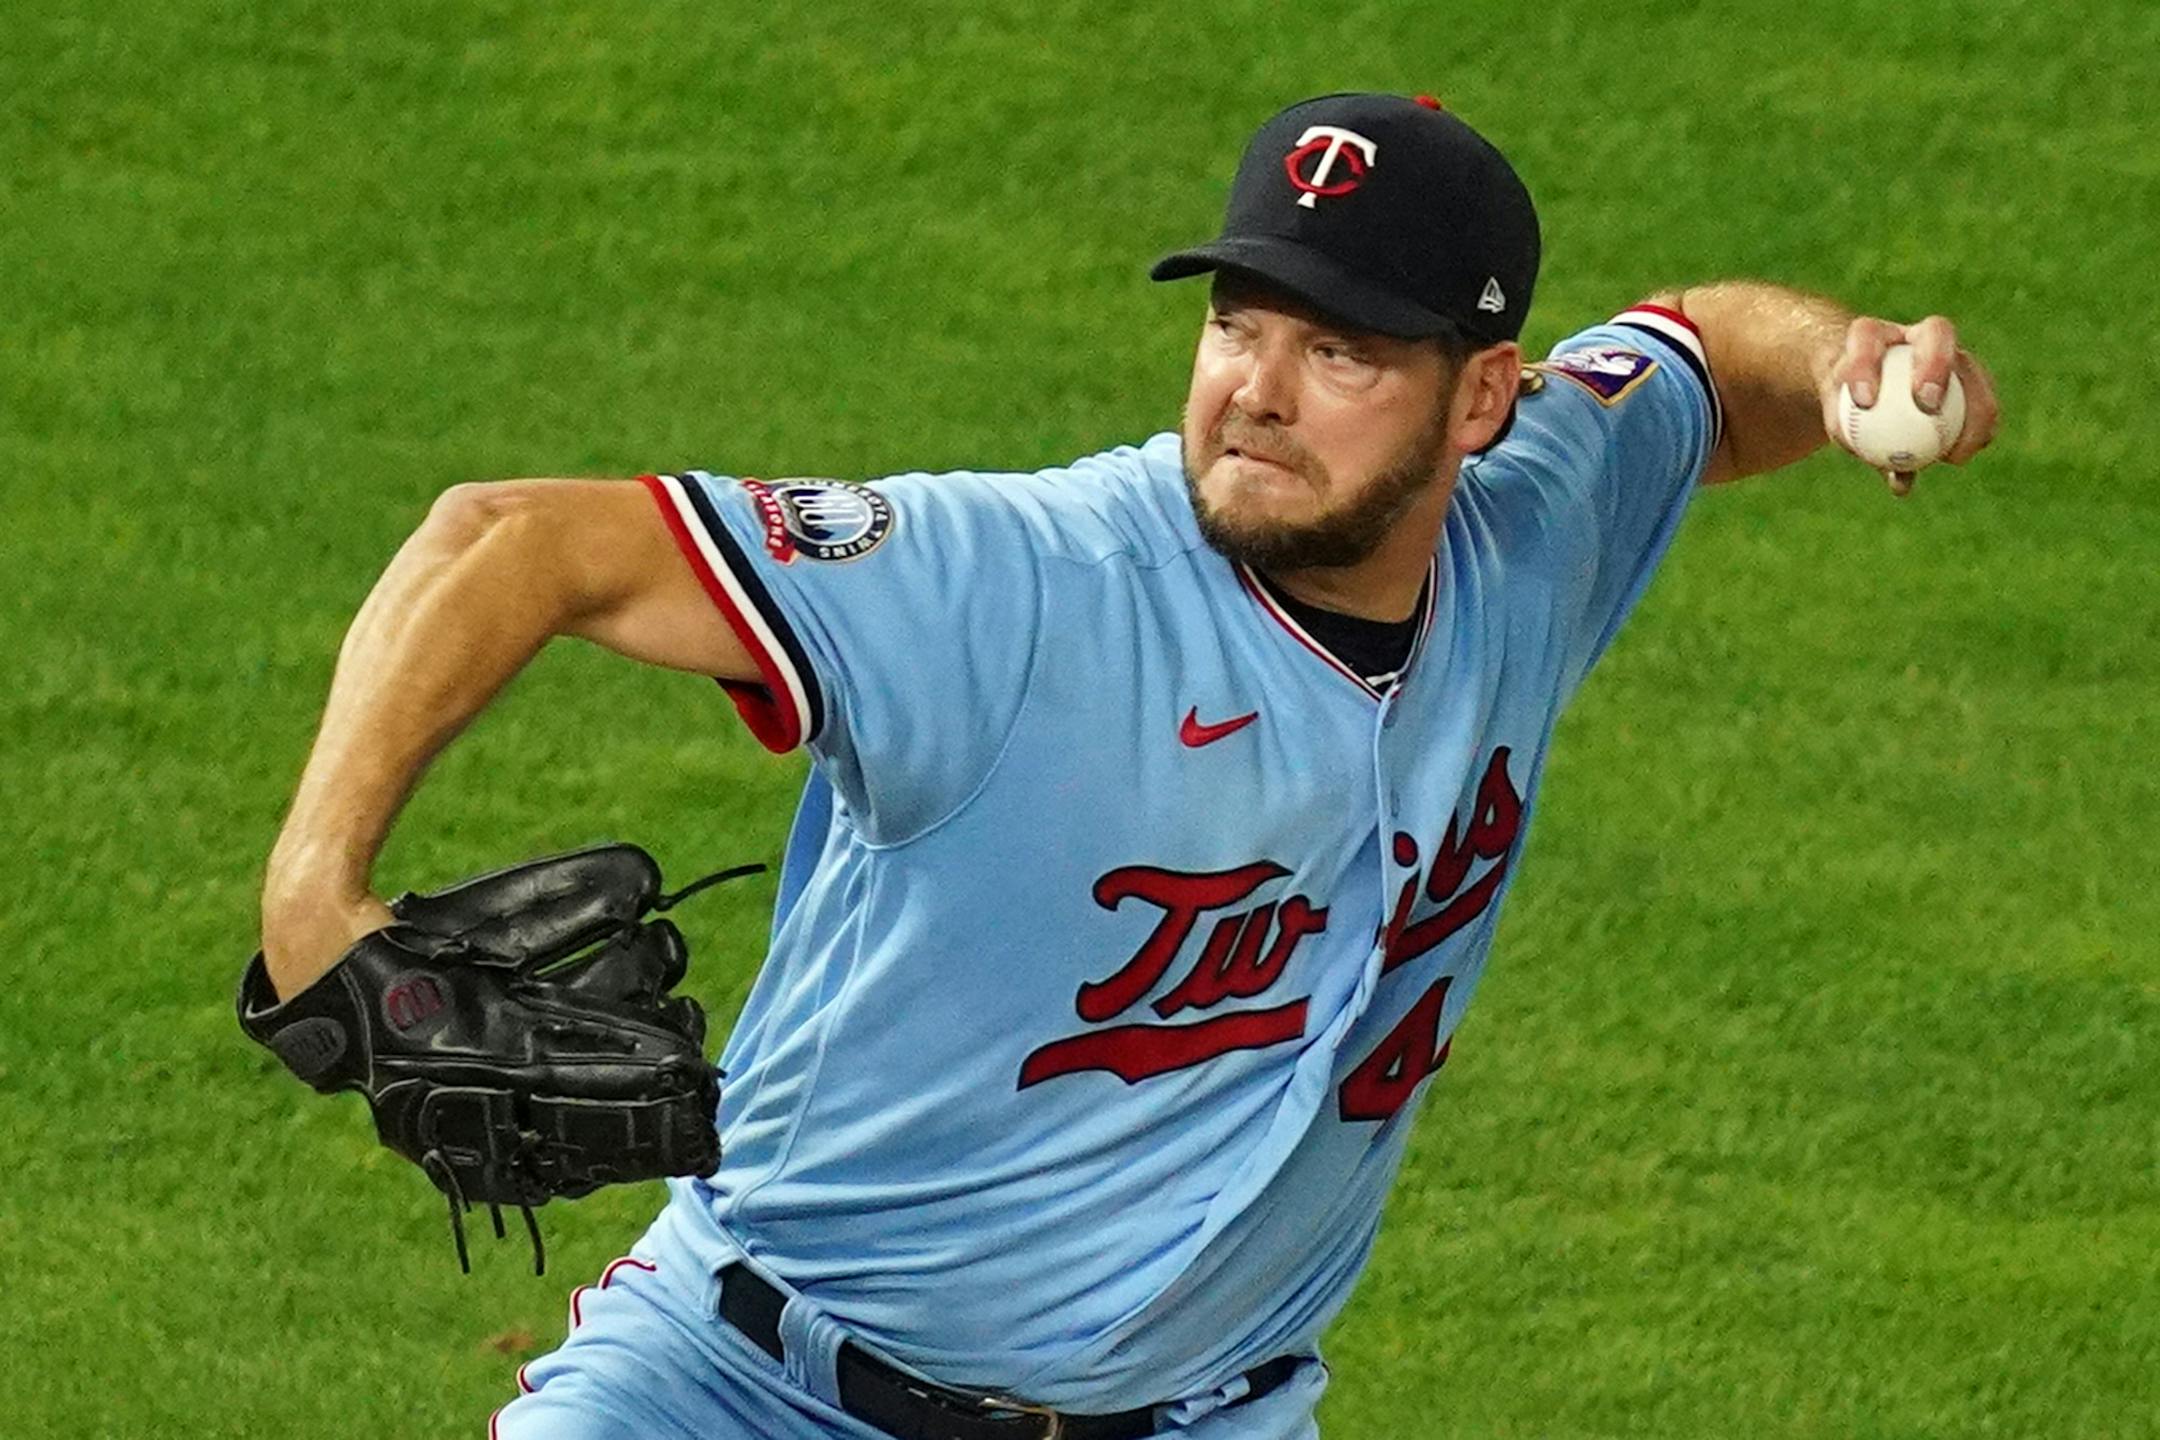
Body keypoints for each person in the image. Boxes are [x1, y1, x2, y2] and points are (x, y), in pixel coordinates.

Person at [256, 92, 1999, 1439]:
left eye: (1341, 354)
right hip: (746, 1386)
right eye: (1242, 322)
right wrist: (311, 894)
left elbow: (1692, 359)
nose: (1258, 391)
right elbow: (504, 541)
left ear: (1482, 403)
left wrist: (1842, 369)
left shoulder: (1532, 525)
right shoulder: (1022, 585)